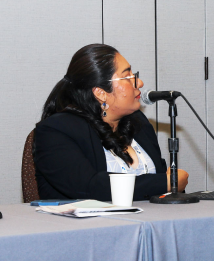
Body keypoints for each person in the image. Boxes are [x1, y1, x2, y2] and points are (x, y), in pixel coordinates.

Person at [35, 44, 189, 201]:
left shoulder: (138, 123)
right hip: (86, 224)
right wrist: (167, 182)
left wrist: (170, 184)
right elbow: (91, 187)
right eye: (127, 77)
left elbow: (161, 185)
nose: (139, 83)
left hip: (148, 223)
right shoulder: (56, 131)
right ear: (101, 93)